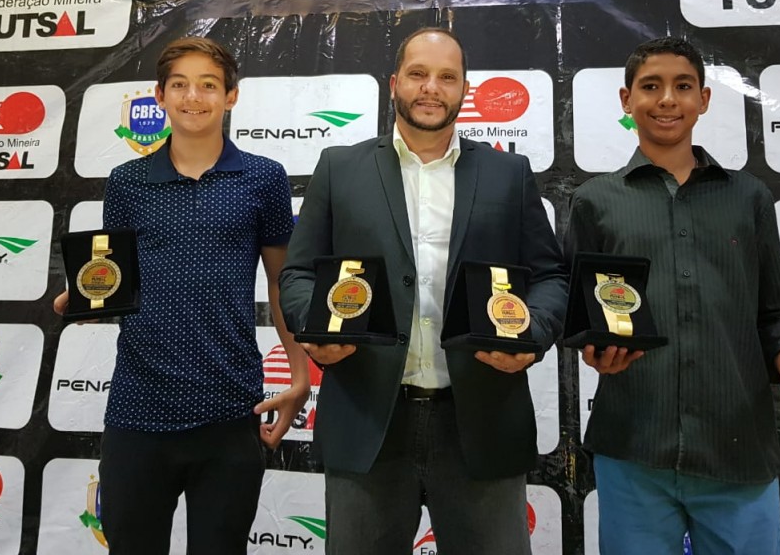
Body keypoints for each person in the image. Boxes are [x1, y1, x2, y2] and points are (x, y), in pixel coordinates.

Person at [279, 27, 568, 555]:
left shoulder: (509, 174)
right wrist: (311, 328)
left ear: (464, 89)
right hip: (368, 421)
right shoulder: (340, 169)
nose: (430, 88)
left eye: (446, 77)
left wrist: (532, 336)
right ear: (394, 84)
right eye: (417, 74)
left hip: (480, 421)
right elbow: (296, 275)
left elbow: (551, 277)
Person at [567, 37, 780, 555]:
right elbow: (579, 317)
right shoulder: (594, 201)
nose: (667, 99)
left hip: (738, 448)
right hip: (632, 445)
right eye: (651, 86)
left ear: (704, 100)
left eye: (683, 86)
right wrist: (590, 349)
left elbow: (775, 313)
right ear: (626, 100)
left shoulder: (748, 196)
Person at [53, 36, 310, 555]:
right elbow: (114, 280)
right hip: (137, 412)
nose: (194, 96)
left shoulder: (264, 178)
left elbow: (286, 285)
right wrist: (86, 301)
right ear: (159, 96)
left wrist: (301, 373)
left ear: (231, 97)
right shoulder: (127, 183)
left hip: (231, 412)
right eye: (180, 84)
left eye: (209, 85)